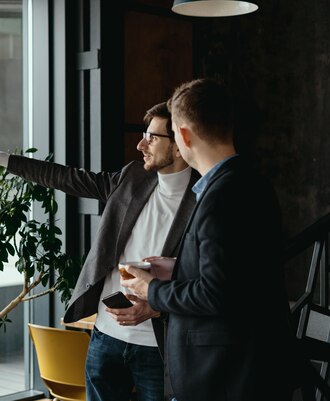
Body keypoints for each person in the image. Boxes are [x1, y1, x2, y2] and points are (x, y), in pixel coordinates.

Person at [0, 102, 200, 401]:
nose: (140, 144)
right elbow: (68, 178)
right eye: (143, 135)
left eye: (152, 137)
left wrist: (158, 307)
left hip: (160, 348)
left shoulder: (204, 201)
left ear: (179, 146)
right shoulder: (133, 177)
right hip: (105, 338)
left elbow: (208, 283)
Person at [122, 78, 302, 401]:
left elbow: (216, 294)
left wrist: (151, 289)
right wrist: (178, 267)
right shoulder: (254, 182)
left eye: (174, 132)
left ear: (185, 136)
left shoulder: (220, 196)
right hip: (253, 369)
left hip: (224, 377)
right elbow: (242, 273)